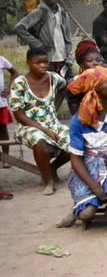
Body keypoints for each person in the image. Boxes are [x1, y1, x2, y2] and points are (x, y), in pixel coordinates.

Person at [55, 67, 107, 230]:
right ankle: (77, 211)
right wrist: (94, 186)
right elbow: (76, 159)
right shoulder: (79, 120)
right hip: (87, 168)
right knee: (86, 214)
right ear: (95, 87)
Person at [9, 47, 70, 194]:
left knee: (75, 140)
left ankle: (53, 168)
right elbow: (19, 115)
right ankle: (47, 181)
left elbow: (65, 87)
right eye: (38, 63)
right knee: (39, 140)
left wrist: (55, 107)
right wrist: (44, 130)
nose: (43, 65)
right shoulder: (19, 83)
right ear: (28, 63)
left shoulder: (53, 78)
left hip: (52, 124)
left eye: (45, 62)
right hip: (27, 126)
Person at [13, 0, 73, 76]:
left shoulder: (63, 13)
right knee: (47, 86)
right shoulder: (40, 12)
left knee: (65, 86)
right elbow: (19, 27)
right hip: (47, 58)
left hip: (63, 58)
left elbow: (68, 38)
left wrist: (69, 56)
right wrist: (38, 44)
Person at [0, 55, 16, 172]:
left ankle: (6, 159)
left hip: (0, 102)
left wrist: (9, 89)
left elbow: (14, 73)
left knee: (3, 130)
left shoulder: (1, 60)